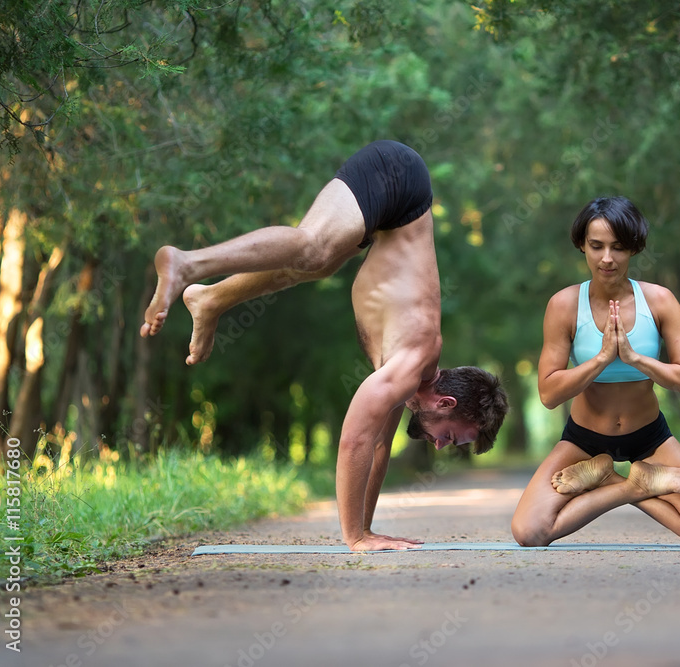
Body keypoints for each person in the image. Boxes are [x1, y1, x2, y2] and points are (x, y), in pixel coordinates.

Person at [139, 140, 509, 551]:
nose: (440, 446)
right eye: (452, 438)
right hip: (400, 176)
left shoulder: (407, 383)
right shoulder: (412, 361)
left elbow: (380, 448)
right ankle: (188, 264)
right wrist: (355, 538)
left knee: (320, 263)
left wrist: (368, 530)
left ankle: (212, 299)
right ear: (446, 404)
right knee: (313, 248)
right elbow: (355, 441)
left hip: (397, 202)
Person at [511, 196, 680, 548]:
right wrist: (599, 360)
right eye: (596, 246)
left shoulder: (660, 301)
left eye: (618, 247)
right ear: (581, 245)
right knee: (530, 532)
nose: (607, 258)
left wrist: (634, 358)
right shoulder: (565, 305)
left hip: (649, 437)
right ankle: (630, 482)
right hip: (583, 440)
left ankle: (622, 479)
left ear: (634, 249)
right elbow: (549, 394)